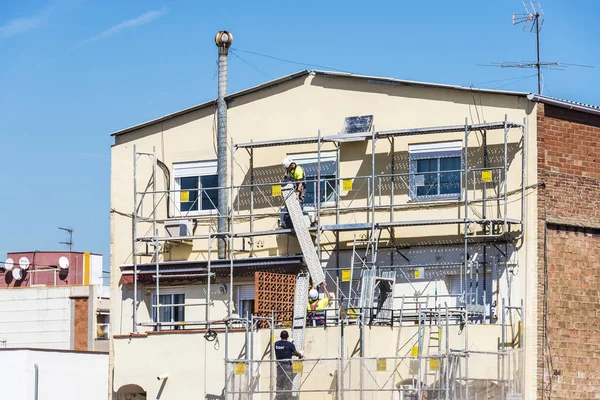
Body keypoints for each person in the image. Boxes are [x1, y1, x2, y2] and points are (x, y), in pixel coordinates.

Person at [274, 330, 302, 400]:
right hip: (287, 366)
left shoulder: (276, 344)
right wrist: (300, 355)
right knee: (288, 384)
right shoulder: (290, 345)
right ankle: (288, 398)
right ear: (287, 336)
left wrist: (290, 353)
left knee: (279, 383)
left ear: (280, 336)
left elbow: (283, 352)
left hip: (279, 366)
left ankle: (279, 398)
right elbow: (295, 353)